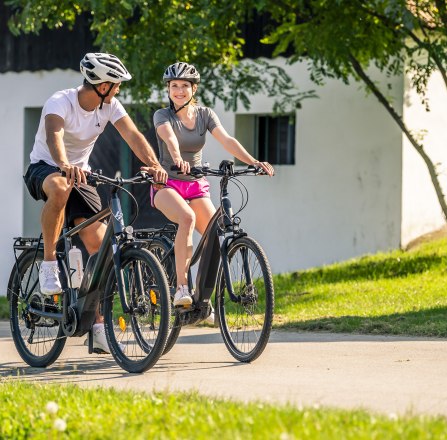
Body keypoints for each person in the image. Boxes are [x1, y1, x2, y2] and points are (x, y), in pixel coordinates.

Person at [24, 52, 168, 352]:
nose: (118, 90)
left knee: (100, 248)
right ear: (101, 85)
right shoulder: (60, 101)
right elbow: (54, 135)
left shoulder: (110, 106)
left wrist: (154, 164)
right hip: (46, 168)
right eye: (115, 85)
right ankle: (49, 263)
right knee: (61, 187)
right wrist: (63, 163)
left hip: (81, 175)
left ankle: (100, 326)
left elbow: (133, 135)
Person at [152, 62, 274, 309]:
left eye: (184, 86)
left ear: (193, 89)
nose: (179, 91)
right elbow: (170, 139)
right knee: (186, 218)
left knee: (214, 233)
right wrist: (176, 159)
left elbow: (226, 139)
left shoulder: (205, 115)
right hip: (167, 184)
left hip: (195, 183)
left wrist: (253, 161)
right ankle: (181, 288)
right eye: (174, 86)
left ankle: (201, 298)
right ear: (168, 89)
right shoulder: (162, 116)